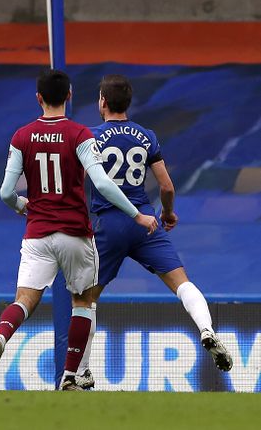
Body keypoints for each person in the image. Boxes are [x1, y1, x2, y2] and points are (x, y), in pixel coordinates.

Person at [0, 69, 158, 391]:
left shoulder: (21, 136)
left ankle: (1, 337)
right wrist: (136, 214)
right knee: (84, 302)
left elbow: (5, 192)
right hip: (74, 233)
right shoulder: (79, 135)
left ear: (38, 98)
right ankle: (70, 377)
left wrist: (22, 206)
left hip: (37, 234)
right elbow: (101, 182)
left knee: (24, 300)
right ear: (70, 96)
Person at [72, 74, 232, 389]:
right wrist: (168, 213)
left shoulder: (89, 136)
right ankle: (207, 330)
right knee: (182, 283)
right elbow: (166, 185)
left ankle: (82, 372)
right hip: (147, 221)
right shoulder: (146, 136)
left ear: (102, 102)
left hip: (109, 223)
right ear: (128, 103)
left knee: (85, 299)